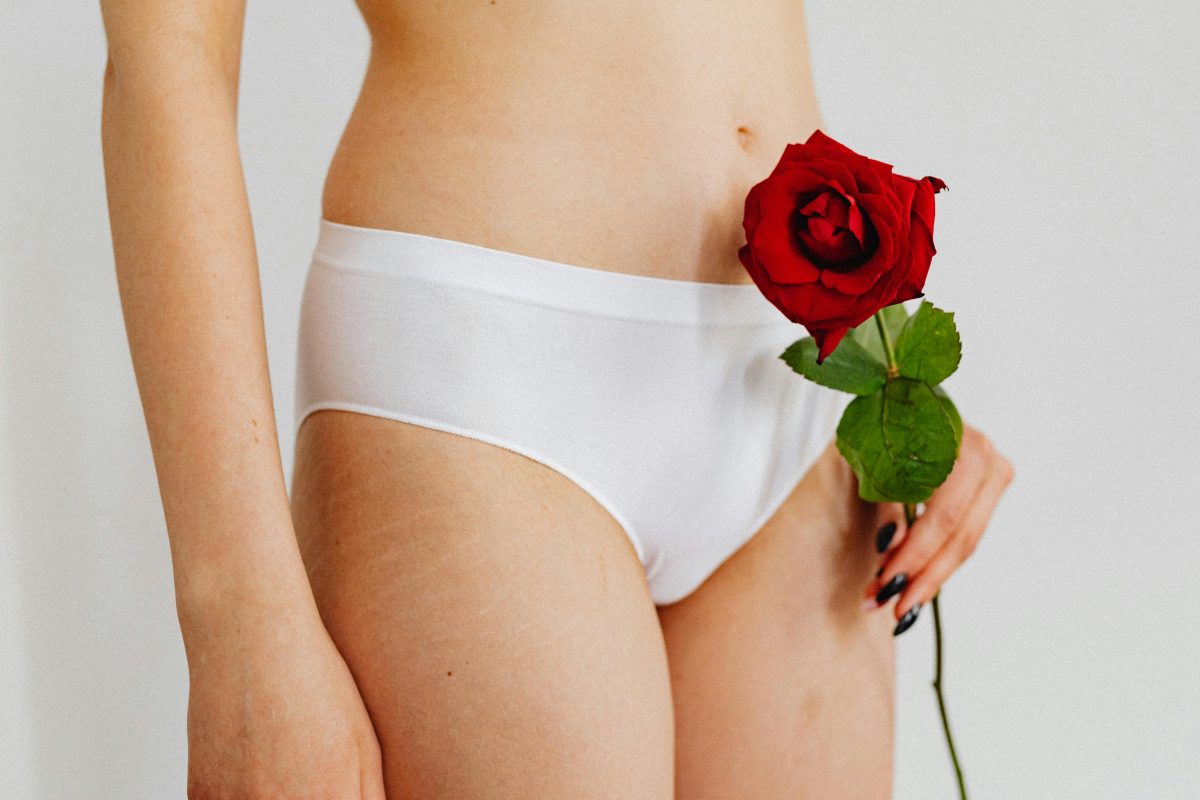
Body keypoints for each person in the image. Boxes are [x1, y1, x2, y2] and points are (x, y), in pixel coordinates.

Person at [98, 1, 1015, 797]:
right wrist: (237, 630)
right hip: (480, 375)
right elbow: (170, 61)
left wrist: (892, 379)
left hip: (786, 373)